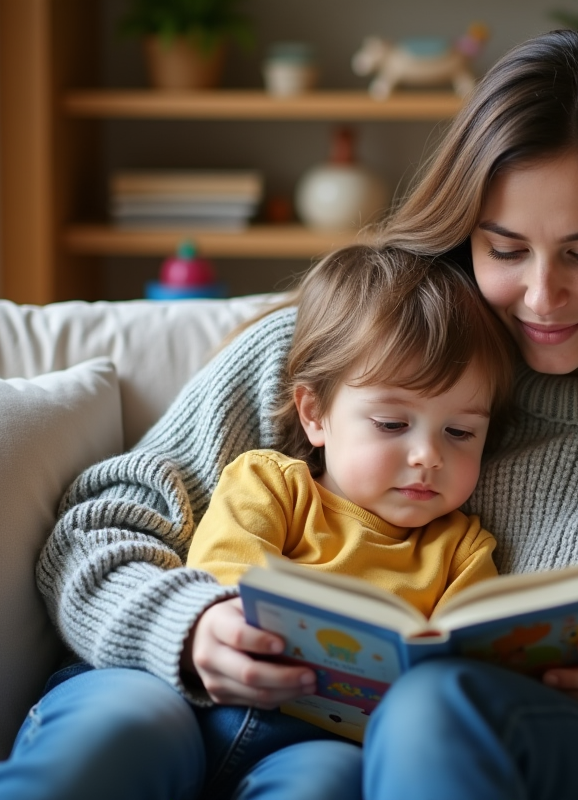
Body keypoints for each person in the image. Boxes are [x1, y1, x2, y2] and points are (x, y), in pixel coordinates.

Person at [0, 27, 578, 800]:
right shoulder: (348, 348)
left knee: (425, 712)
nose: (541, 295)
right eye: (505, 248)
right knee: (127, 718)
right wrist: (184, 628)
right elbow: (98, 527)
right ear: (465, 229)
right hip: (210, 713)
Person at [180, 243, 515, 793]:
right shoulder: (273, 486)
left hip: (319, 747)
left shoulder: (462, 550)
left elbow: (464, 667)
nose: (428, 456)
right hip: (205, 704)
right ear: (314, 413)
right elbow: (221, 577)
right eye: (390, 423)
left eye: (460, 432)